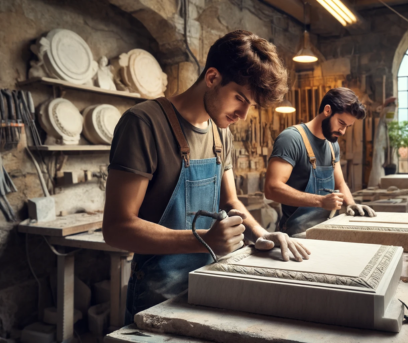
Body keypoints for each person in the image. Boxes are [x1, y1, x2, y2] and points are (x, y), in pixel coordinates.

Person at [102, 30, 310, 323]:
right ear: (212, 78)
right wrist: (202, 240)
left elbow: (231, 203)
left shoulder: (220, 132)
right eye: (239, 98)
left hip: (209, 283)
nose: (243, 114)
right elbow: (116, 228)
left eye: (251, 105)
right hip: (156, 295)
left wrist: (263, 235)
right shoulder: (144, 123)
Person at [264, 87, 376, 236]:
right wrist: (321, 201)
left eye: (347, 127)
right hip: (297, 234)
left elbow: (340, 183)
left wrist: (352, 204)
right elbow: (271, 189)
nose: (342, 131)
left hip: (328, 229)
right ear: (327, 110)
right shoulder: (291, 139)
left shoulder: (332, 144)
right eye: (341, 123)